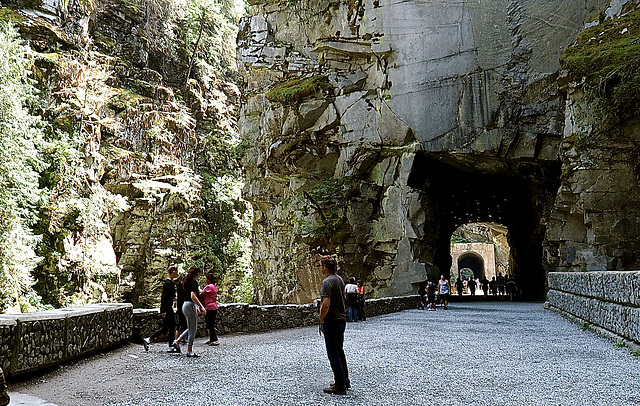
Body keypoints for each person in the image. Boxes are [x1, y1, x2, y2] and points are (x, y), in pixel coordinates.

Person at [318, 256, 349, 395]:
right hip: (341, 319)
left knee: (333, 353)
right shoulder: (339, 279)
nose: (321, 268)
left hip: (332, 321)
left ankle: (339, 385)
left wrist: (321, 317)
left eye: (321, 266)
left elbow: (326, 303)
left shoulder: (327, 282)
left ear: (325, 267)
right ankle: (344, 380)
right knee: (339, 350)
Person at [172, 266, 206, 357]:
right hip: (190, 305)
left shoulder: (186, 282)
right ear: (197, 273)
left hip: (185, 305)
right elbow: (193, 296)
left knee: (191, 327)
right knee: (193, 329)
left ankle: (177, 341)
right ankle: (189, 350)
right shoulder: (194, 282)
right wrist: (201, 307)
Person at [143, 265, 179, 352]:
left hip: (168, 307)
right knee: (171, 327)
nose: (177, 273)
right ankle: (170, 345)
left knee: (166, 328)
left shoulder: (170, 283)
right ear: (172, 272)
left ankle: (149, 340)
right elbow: (164, 298)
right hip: (167, 308)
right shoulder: (168, 283)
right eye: (176, 271)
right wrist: (163, 310)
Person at [200, 273, 220, 346]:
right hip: (214, 306)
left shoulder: (208, 287)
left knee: (209, 324)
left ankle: (215, 339)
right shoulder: (214, 286)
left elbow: (201, 294)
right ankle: (212, 338)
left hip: (209, 307)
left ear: (208, 279)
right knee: (211, 323)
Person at [174, 271, 187, 343]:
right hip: (181, 306)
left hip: (181, 305)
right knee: (181, 323)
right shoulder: (181, 286)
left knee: (184, 323)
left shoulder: (181, 286)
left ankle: (181, 338)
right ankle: (177, 338)